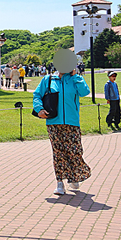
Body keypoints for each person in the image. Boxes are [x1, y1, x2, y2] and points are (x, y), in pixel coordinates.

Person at [33, 48, 92, 195]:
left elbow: (85, 92)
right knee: (58, 152)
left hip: (72, 121)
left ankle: (74, 177)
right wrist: (39, 109)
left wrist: (76, 76)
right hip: (53, 122)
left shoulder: (75, 79)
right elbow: (37, 95)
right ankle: (60, 182)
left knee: (75, 151)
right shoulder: (48, 80)